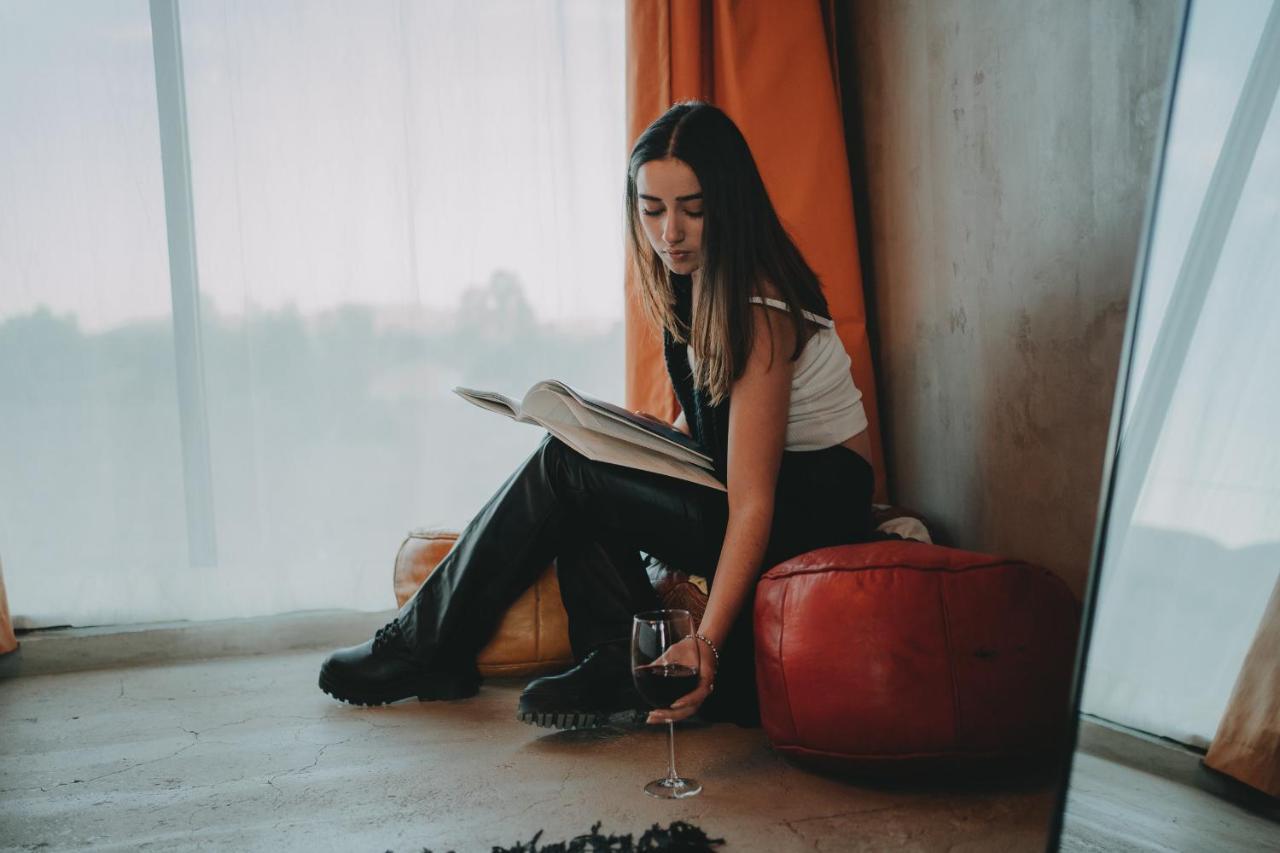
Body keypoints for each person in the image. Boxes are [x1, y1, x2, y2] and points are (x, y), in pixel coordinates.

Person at [318, 100, 876, 729]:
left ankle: (424, 647)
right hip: (762, 488)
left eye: (693, 210)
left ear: (731, 204)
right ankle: (616, 658)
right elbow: (712, 427)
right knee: (583, 456)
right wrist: (620, 436)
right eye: (651, 210)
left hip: (809, 514)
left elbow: (752, 501)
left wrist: (708, 648)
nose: (670, 233)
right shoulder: (696, 284)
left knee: (566, 468)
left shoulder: (759, 307)